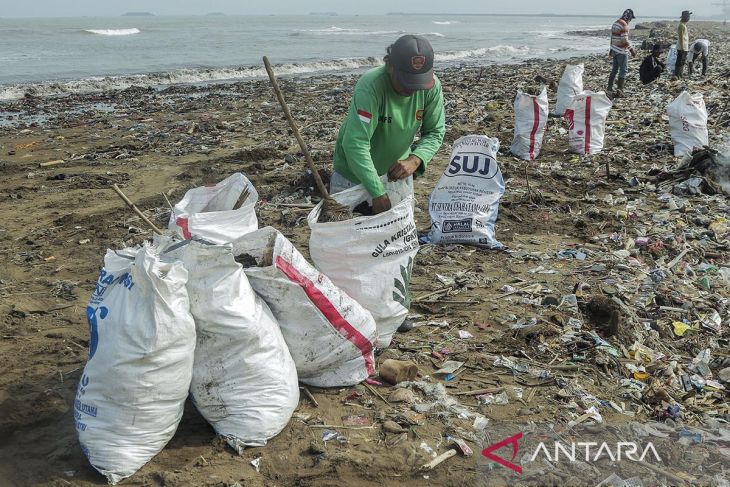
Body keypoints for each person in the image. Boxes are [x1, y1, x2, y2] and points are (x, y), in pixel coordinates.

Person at [330, 34, 445, 214]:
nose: (412, 89)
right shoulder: (371, 86)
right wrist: (378, 192)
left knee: (395, 237)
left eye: (418, 82)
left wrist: (416, 159)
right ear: (389, 65)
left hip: (394, 176)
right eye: (406, 81)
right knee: (347, 235)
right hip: (353, 177)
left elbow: (435, 131)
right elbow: (355, 143)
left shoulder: (431, 88)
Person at [608, 8, 637, 97]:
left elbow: (612, 37)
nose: (630, 20)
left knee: (614, 69)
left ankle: (609, 87)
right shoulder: (624, 25)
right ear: (629, 17)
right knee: (623, 70)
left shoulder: (616, 23)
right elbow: (624, 40)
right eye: (631, 18)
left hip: (614, 49)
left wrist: (611, 49)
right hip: (621, 51)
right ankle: (620, 90)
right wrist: (632, 50)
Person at [675, 10, 691, 78]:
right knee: (679, 61)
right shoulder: (681, 25)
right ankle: (677, 75)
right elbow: (681, 38)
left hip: (685, 47)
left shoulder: (684, 25)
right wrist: (682, 48)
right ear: (685, 17)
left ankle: (680, 75)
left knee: (683, 61)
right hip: (682, 47)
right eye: (688, 16)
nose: (689, 18)